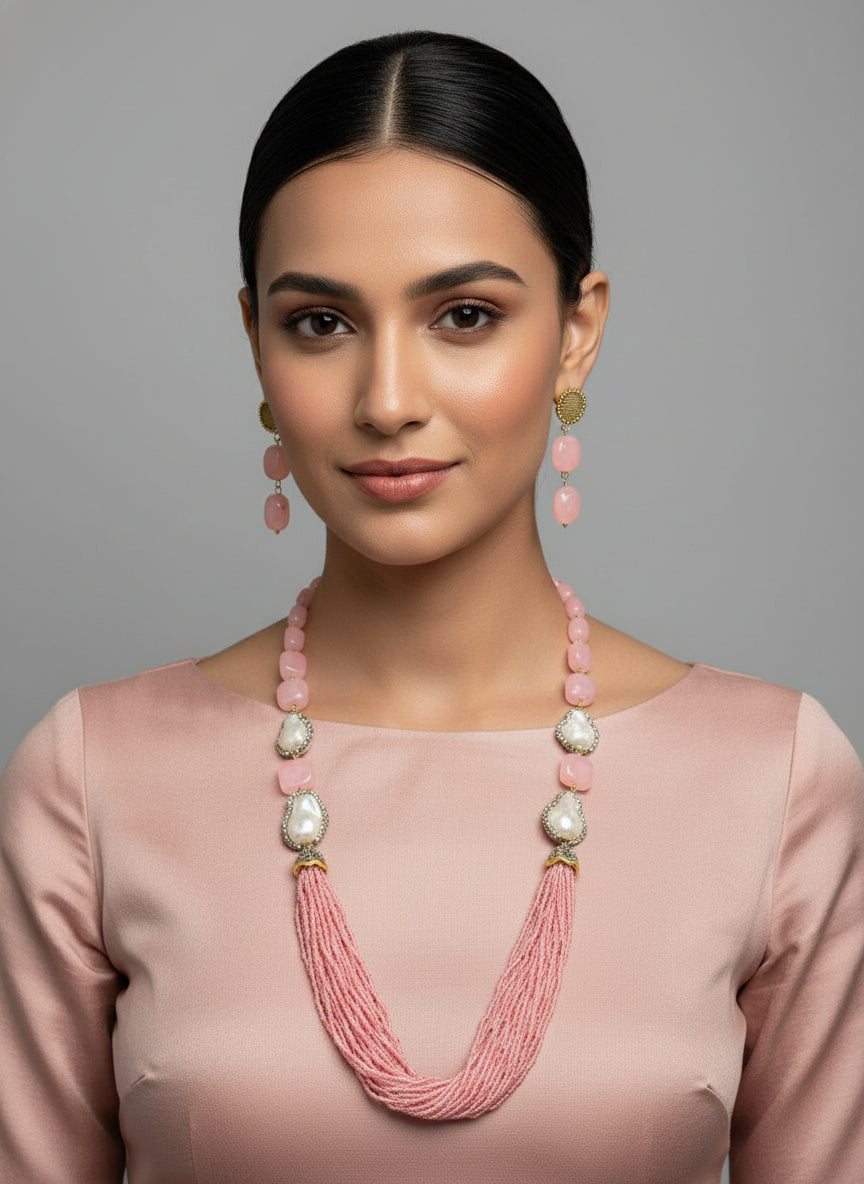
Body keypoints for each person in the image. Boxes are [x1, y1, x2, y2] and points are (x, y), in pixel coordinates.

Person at [1, 28, 862, 1184]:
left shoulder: (779, 777)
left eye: (463, 315)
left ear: (578, 329)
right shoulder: (91, 774)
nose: (389, 398)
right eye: (321, 323)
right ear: (255, 341)